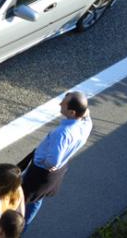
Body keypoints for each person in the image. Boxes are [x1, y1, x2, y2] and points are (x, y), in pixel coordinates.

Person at [18, 91, 93, 227]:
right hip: (57, 173)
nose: (60, 104)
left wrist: (42, 162)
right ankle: (22, 226)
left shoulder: (63, 133)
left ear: (72, 113)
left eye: (64, 104)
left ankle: (8, 227)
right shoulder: (86, 125)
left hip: (39, 173)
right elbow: (86, 113)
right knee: (36, 199)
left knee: (21, 199)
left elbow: (52, 161)